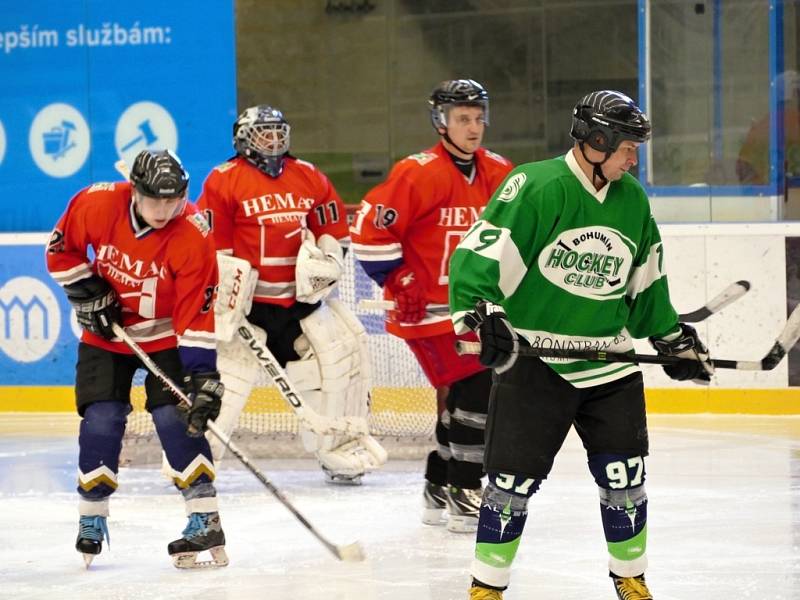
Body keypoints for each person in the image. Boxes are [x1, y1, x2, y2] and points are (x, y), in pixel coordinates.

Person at [448, 90, 714, 600]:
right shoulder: (537, 185)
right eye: (627, 147)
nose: (633, 158)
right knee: (509, 487)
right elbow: (479, 254)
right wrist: (484, 316)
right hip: (536, 361)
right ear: (597, 140)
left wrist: (668, 335)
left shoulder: (631, 198)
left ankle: (631, 579)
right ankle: (487, 588)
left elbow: (645, 278)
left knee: (625, 479)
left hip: (609, 364)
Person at [46, 149, 227, 569]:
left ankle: (204, 516)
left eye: (174, 200)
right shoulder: (96, 202)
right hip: (107, 336)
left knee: (177, 417)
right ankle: (92, 517)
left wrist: (203, 376)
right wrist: (89, 291)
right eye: (155, 200)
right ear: (135, 193)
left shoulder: (194, 232)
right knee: (102, 418)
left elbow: (195, 313)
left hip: (165, 337)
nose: (165, 210)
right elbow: (60, 252)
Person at [351, 79, 513, 532]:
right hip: (425, 312)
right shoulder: (417, 172)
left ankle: (439, 485)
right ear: (441, 122)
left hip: (474, 310)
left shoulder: (499, 171)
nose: (474, 127)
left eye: (479, 117)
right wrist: (398, 277)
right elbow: (368, 229)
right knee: (480, 388)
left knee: (467, 395)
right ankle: (464, 489)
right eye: (463, 118)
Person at [197, 104, 386, 484]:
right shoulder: (223, 179)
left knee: (336, 369)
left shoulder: (308, 176)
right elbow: (213, 247)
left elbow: (333, 230)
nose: (273, 139)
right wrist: (226, 297)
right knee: (225, 385)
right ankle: (197, 460)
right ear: (243, 138)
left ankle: (338, 451)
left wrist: (328, 262)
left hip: (300, 306)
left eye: (278, 131)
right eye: (263, 132)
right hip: (248, 309)